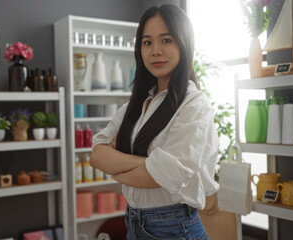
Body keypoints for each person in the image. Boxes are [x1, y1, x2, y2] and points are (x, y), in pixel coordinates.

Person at [90, 4, 219, 240]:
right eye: (147, 42)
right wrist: (150, 164)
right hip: (133, 224)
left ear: (184, 43)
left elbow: (164, 176)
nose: (155, 50)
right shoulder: (136, 105)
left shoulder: (195, 104)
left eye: (166, 40)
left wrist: (116, 168)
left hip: (174, 228)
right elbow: (97, 155)